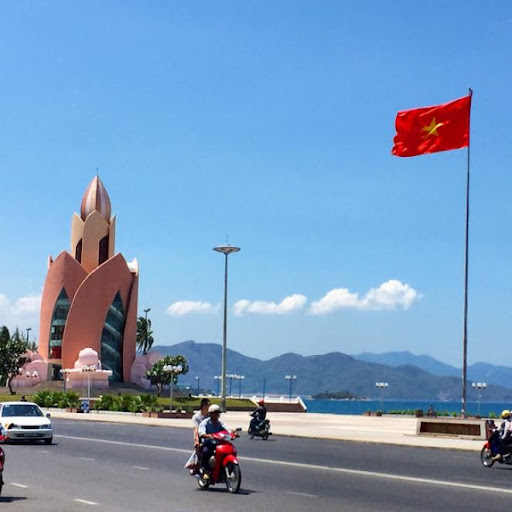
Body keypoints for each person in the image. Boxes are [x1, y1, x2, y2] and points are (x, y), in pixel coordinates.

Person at [198, 404, 233, 479]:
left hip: (219, 443)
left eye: (217, 413)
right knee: (206, 452)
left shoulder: (220, 423)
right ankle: (206, 470)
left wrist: (233, 434)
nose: (216, 415)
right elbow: (201, 432)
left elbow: (227, 429)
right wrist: (206, 435)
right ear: (210, 414)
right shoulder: (205, 423)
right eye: (214, 413)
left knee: (229, 449)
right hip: (208, 443)